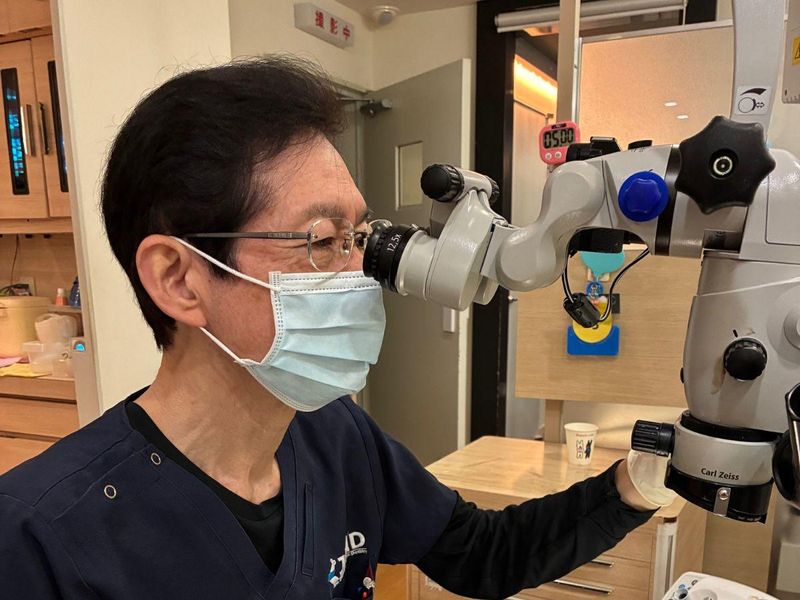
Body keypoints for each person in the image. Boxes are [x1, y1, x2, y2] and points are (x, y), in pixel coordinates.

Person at [0, 56, 673, 600]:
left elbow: (482, 554)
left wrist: (634, 485)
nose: (360, 272)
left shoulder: (335, 437)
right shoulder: (39, 537)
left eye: (361, 236)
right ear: (178, 279)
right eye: (323, 240)